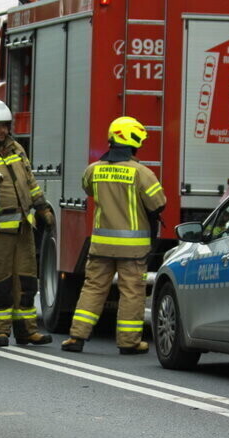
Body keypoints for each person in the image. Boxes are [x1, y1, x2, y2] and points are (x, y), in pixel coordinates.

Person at [61, 116, 166, 354]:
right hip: (133, 249)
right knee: (131, 292)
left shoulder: (93, 171)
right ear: (133, 141)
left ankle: (77, 336)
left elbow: (87, 189)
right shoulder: (141, 173)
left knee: (93, 288)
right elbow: (158, 204)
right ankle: (129, 342)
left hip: (100, 246)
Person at [0, 99, 54, 347]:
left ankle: (27, 331)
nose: (2, 131)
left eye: (5, 126)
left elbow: (30, 181)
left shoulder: (17, 149)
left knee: (27, 281)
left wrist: (41, 207)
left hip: (23, 229)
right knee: (0, 284)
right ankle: (0, 331)